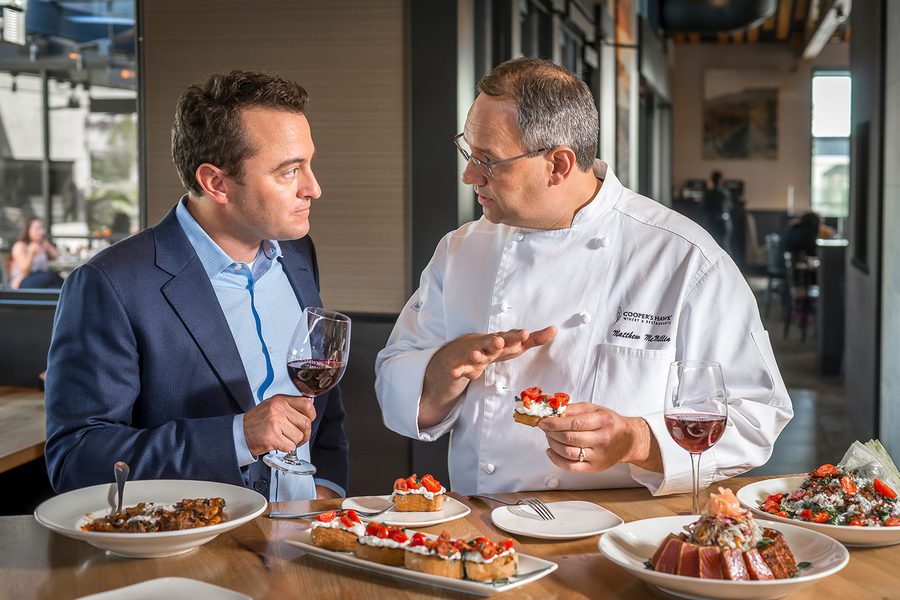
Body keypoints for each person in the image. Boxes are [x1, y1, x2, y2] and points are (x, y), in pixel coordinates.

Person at [375, 58, 792, 496]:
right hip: (485, 522)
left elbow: (756, 416)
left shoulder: (684, 258)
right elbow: (395, 382)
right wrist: (447, 368)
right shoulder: (461, 251)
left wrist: (638, 440)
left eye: (488, 160)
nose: (469, 175)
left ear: (558, 164)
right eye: (469, 152)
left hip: (620, 527)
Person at [45, 71, 349, 500]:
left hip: (305, 529)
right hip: (202, 535)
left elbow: (322, 403)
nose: (313, 188)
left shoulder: (299, 254)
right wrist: (238, 437)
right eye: (289, 171)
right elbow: (75, 458)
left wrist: (326, 489)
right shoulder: (109, 284)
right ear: (216, 183)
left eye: (309, 164)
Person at [9, 217, 64, 289]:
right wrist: (30, 254)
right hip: (22, 280)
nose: (41, 232)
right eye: (37, 229)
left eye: (41, 228)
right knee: (52, 278)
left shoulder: (42, 244)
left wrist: (48, 246)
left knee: (57, 284)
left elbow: (59, 257)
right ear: (28, 230)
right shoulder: (20, 246)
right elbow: (25, 271)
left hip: (41, 279)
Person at [701, 170, 732, 253]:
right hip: (723, 221)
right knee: (725, 245)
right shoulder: (725, 193)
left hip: (711, 221)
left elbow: (703, 208)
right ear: (721, 180)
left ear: (712, 180)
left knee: (711, 245)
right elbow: (729, 207)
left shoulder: (708, 194)